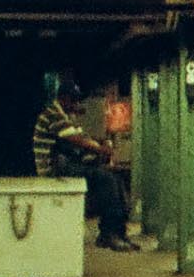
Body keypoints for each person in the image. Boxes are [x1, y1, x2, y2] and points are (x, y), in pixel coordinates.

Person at [33, 73, 137, 251]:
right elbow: (77, 139)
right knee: (106, 180)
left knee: (116, 180)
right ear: (64, 99)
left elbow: (82, 139)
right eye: (73, 101)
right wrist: (100, 149)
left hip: (63, 163)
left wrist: (97, 148)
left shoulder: (65, 116)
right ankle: (108, 234)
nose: (76, 105)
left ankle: (118, 232)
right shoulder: (53, 114)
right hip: (53, 169)